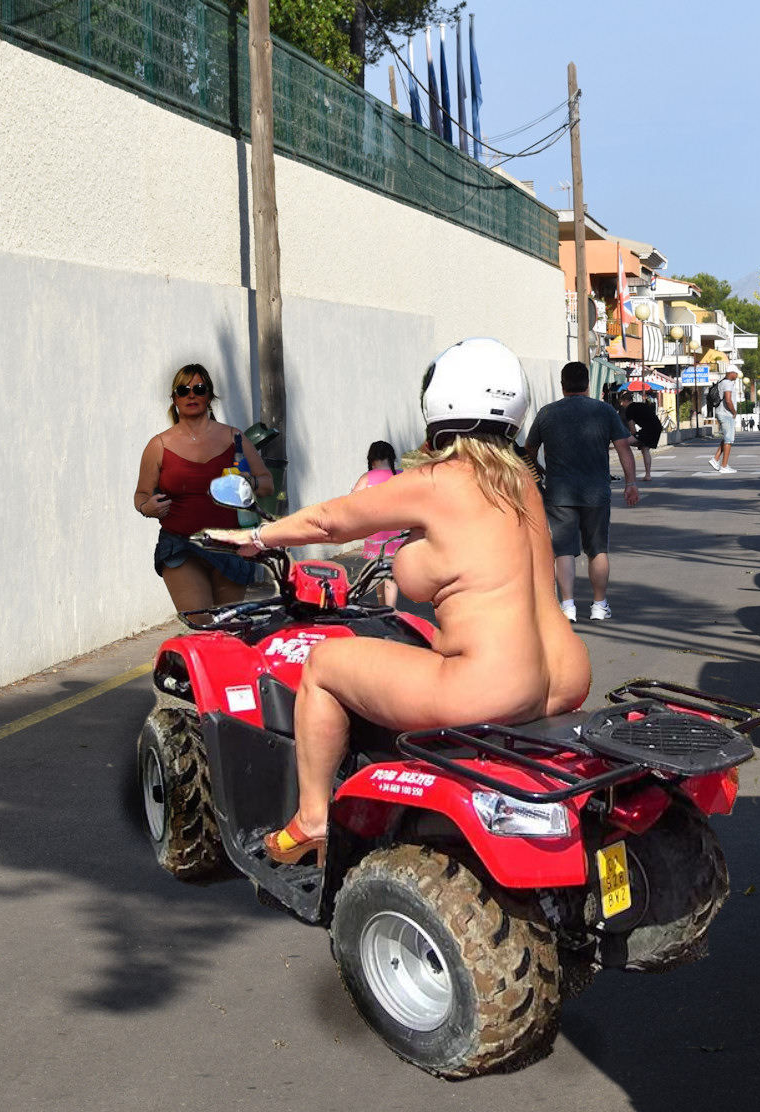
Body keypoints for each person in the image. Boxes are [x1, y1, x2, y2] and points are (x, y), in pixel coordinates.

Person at [204, 338, 591, 865]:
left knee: (322, 665)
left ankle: (314, 817)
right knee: (423, 639)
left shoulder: (438, 480)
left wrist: (258, 537)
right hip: (564, 675)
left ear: (440, 408)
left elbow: (330, 520)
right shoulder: (521, 479)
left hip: (491, 688)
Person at [133, 364, 275, 622]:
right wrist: (148, 507)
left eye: (199, 389)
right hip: (181, 544)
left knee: (225, 625)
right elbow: (141, 495)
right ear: (174, 398)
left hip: (230, 544)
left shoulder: (235, 438)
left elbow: (267, 483)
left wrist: (248, 481)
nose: (191, 395)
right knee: (201, 621)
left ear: (209, 396)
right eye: (183, 390)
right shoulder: (159, 445)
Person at [524, 361, 640, 623]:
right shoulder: (605, 411)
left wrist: (539, 468)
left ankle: (568, 607)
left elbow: (529, 449)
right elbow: (624, 448)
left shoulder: (547, 413)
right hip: (596, 492)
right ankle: (599, 606)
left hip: (559, 493)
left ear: (562, 385)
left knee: (563, 551)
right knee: (597, 550)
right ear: (588, 384)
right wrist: (631, 483)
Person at [350, 440, 406, 607]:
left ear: (371, 459)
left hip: (376, 531)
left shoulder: (367, 478)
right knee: (390, 573)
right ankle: (387, 608)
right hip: (396, 531)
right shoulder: (401, 475)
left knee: (379, 570)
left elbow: (352, 501)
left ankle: (385, 608)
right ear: (391, 458)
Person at [623, 390, 664, 481]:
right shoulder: (640, 405)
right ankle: (648, 475)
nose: (622, 405)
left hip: (648, 429)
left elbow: (632, 428)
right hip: (657, 427)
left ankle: (630, 473)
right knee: (645, 449)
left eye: (622, 403)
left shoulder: (629, 409)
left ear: (625, 401)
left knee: (625, 443)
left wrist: (635, 438)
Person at [707, 367, 739, 473]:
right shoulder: (728, 383)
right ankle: (724, 466)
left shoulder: (722, 381)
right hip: (726, 414)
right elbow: (728, 400)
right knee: (729, 440)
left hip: (720, 412)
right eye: (736, 373)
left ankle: (715, 459)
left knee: (726, 438)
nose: (737, 375)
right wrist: (734, 412)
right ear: (731, 373)